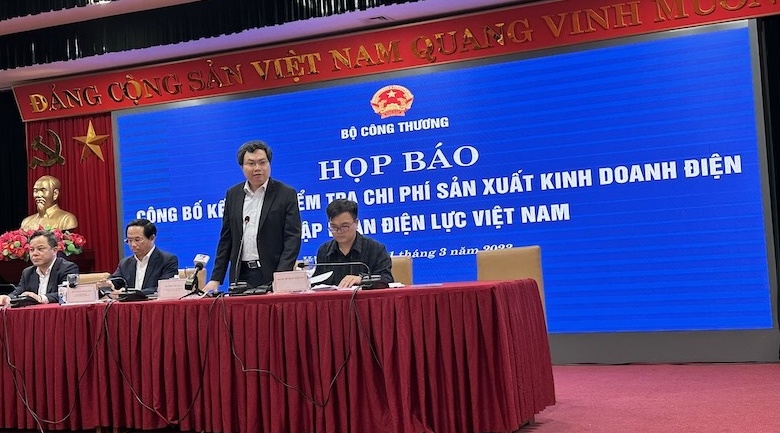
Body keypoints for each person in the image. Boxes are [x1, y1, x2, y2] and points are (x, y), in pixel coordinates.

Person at [203, 140, 302, 292]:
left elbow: (292, 238)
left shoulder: (286, 194)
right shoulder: (233, 195)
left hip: (273, 273)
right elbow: (226, 239)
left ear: (269, 164)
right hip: (241, 275)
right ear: (242, 167)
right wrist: (216, 278)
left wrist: (281, 276)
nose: (257, 168)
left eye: (262, 162)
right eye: (251, 163)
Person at [313, 199, 393, 288]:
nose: (339, 231)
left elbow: (387, 279)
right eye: (334, 227)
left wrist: (362, 279)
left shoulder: (375, 249)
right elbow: (316, 283)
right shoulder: (324, 251)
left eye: (344, 226)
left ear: (356, 223)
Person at [0, 230, 79, 306]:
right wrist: (8, 298)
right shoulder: (27, 272)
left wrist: (40, 298)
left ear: (54, 250)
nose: (34, 254)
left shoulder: (67, 268)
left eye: (40, 249)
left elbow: (68, 292)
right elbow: (18, 292)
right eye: (32, 250)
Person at [109, 219, 179, 295]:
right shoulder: (125, 263)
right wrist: (108, 284)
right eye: (129, 240)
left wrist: (131, 293)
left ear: (152, 238)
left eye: (137, 240)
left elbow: (163, 288)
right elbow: (115, 282)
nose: (133, 245)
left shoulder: (168, 260)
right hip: (130, 303)